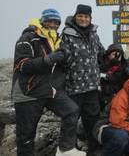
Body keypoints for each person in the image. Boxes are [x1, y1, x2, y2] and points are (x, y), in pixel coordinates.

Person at [11, 9, 85, 156]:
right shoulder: (29, 37)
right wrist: (49, 59)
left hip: (50, 89)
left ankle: (65, 149)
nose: (52, 24)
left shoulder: (57, 39)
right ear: (42, 21)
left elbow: (58, 66)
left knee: (72, 110)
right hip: (28, 91)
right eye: (49, 21)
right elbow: (22, 65)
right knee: (26, 136)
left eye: (56, 22)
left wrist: (65, 59)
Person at [59, 4, 105, 153]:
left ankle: (94, 148)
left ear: (90, 19)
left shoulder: (93, 33)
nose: (83, 19)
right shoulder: (67, 34)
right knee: (71, 119)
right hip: (73, 87)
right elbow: (61, 58)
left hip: (92, 86)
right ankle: (68, 149)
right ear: (75, 17)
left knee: (92, 120)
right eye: (80, 16)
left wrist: (112, 55)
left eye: (86, 16)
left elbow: (101, 53)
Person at [99, 43, 127, 111]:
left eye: (119, 54)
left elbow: (118, 79)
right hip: (101, 96)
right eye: (114, 54)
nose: (117, 56)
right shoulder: (101, 64)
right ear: (108, 55)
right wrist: (109, 66)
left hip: (117, 95)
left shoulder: (125, 66)